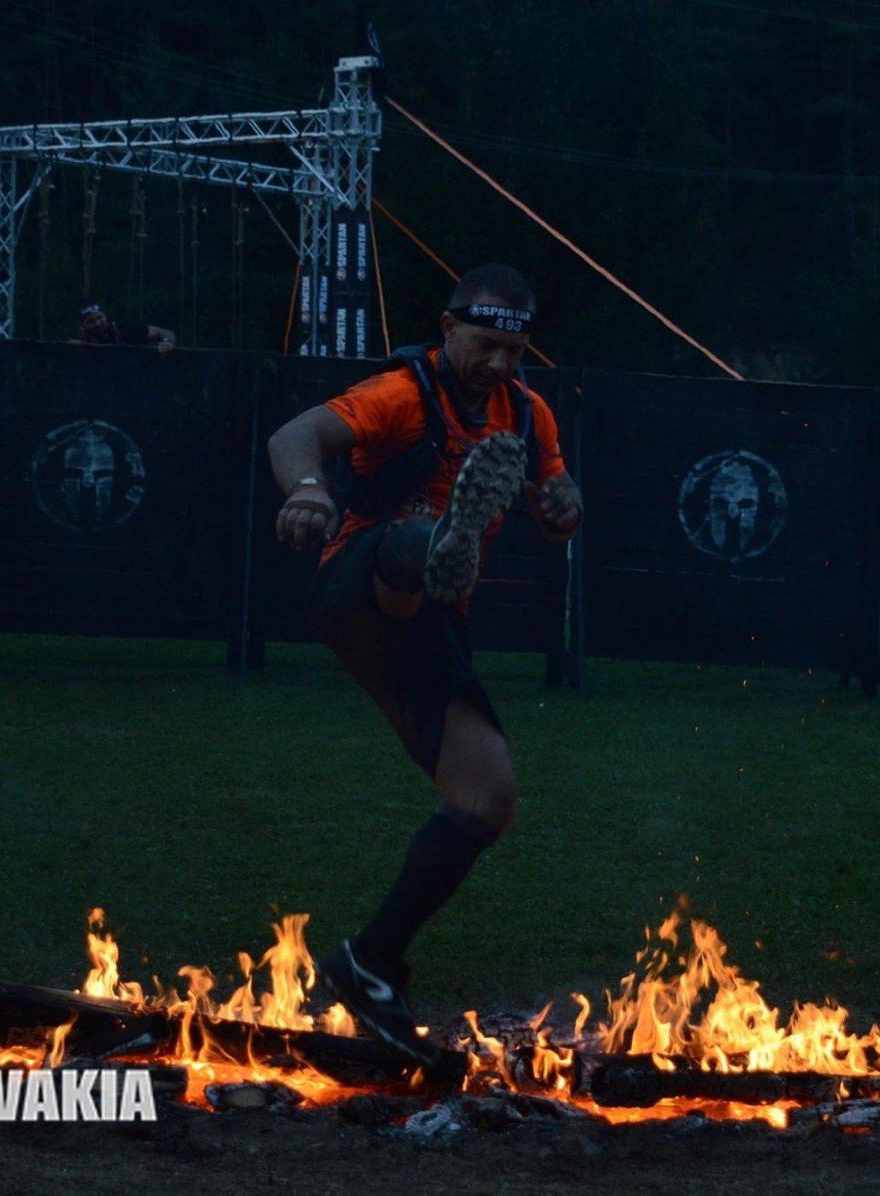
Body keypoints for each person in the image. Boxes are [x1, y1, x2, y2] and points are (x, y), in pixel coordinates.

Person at [265, 264, 582, 1065]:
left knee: (486, 799)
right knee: (411, 545)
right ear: (446, 329)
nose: (499, 364)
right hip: (356, 583)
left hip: (427, 628)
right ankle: (435, 545)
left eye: (515, 351)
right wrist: (308, 491)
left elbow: (558, 508)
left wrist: (562, 507)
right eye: (485, 345)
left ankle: (369, 962)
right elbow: (292, 436)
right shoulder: (401, 395)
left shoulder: (528, 413)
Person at [71, 303, 176, 355]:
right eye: (91, 321)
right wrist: (71, 350)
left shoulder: (124, 330)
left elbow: (166, 332)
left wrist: (167, 342)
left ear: (105, 316)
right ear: (81, 327)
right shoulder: (81, 344)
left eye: (99, 318)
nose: (97, 323)